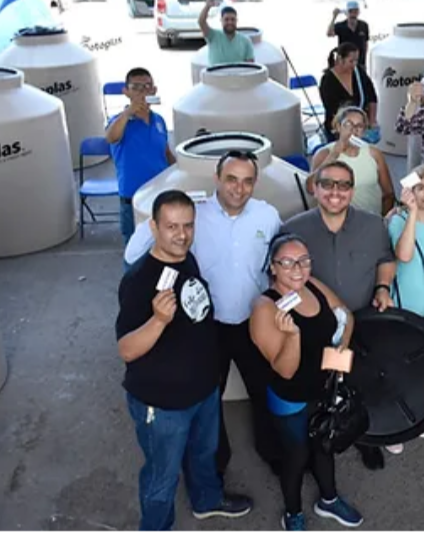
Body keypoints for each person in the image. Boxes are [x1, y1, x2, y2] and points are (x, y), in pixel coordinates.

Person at [124, 150, 284, 479]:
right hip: (208, 327)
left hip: (253, 322)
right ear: (217, 179)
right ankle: (215, 465)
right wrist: (161, 217)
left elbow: (278, 261)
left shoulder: (267, 216)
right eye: (231, 179)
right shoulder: (195, 214)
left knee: (262, 388)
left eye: (247, 181)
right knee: (211, 398)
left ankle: (271, 452)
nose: (239, 188)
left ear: (255, 183)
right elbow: (133, 252)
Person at [115, 190, 253, 530]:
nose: (182, 235)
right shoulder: (138, 281)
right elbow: (127, 349)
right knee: (161, 478)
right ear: (153, 227)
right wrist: (158, 321)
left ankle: (207, 500)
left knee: (203, 455)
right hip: (163, 404)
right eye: (172, 226)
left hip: (203, 390)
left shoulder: (186, 259)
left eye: (188, 226)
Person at [280, 161, 396, 471]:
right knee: (317, 386)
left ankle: (366, 438)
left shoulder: (374, 225)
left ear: (352, 191)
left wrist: (383, 287)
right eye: (328, 184)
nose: (335, 191)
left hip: (363, 324)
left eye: (344, 185)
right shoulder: (293, 229)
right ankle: (319, 439)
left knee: (362, 384)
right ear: (315, 188)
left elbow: (386, 259)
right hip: (314, 328)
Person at [250, 233, 364, 531]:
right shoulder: (264, 307)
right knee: (297, 455)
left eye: (303, 261)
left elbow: (346, 315)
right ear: (273, 267)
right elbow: (285, 371)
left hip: (323, 389)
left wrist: (341, 349)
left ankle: (329, 499)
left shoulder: (312, 285)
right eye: (287, 262)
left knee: (324, 444)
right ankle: (292, 513)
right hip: (291, 396)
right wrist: (292, 336)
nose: (298, 269)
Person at [385, 165, 424, 450]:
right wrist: (410, 212)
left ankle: (417, 418)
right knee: (397, 370)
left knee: (423, 370)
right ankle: (393, 425)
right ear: (411, 190)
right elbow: (404, 255)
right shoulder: (397, 219)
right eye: (421, 187)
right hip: (405, 306)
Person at [106, 68, 175, 246]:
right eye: (136, 87)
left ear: (154, 90)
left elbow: (166, 153)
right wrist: (128, 112)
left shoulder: (159, 120)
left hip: (160, 195)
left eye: (147, 86)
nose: (142, 92)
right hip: (133, 198)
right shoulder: (119, 121)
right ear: (126, 92)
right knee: (135, 250)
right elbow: (111, 137)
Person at [307, 106, 394, 215]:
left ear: (364, 131)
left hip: (372, 217)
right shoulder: (324, 153)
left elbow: (389, 193)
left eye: (359, 126)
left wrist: (383, 219)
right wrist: (333, 155)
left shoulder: (374, 153)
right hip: (337, 218)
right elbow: (310, 188)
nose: (354, 130)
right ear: (338, 127)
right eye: (348, 124)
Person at [319, 43, 378, 144]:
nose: (354, 64)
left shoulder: (359, 72)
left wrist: (372, 121)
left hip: (360, 128)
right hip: (338, 130)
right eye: (351, 61)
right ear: (340, 59)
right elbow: (331, 108)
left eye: (356, 60)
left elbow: (372, 96)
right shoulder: (327, 80)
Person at [199, 0, 255, 67]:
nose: (230, 22)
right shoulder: (213, 35)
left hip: (238, 74)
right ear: (221, 20)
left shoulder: (245, 40)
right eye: (226, 19)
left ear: (236, 21)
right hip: (215, 73)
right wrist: (207, 6)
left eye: (232, 19)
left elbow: (250, 65)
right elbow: (201, 22)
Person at [327, 0, 370, 68]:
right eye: (351, 11)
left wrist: (364, 58)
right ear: (347, 13)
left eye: (355, 11)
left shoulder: (364, 25)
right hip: (344, 62)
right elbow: (329, 33)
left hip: (360, 62)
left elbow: (366, 43)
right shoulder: (340, 26)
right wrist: (334, 17)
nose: (353, 14)